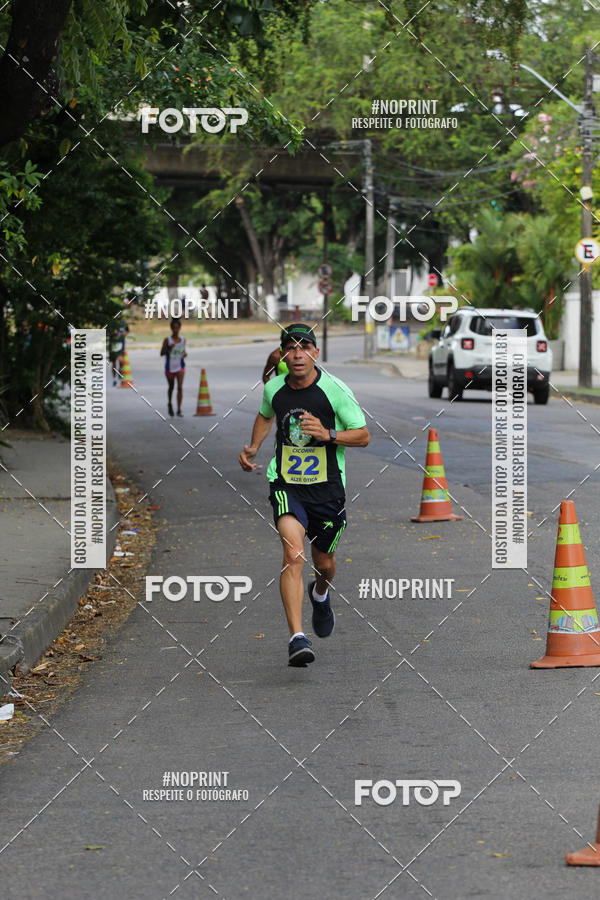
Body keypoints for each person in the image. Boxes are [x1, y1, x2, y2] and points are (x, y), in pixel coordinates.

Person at [239, 323, 370, 667]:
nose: (297, 353)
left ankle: (321, 591)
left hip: (327, 489)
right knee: (293, 554)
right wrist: (252, 448)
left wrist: (328, 434)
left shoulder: (335, 390)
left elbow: (363, 435)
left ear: (315, 352)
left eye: (304, 346)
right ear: (283, 353)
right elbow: (265, 415)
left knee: (323, 563)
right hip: (286, 485)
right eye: (290, 347)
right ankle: (297, 638)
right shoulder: (274, 388)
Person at [160, 317, 187, 416]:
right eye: (174, 328)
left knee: (180, 387)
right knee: (171, 387)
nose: (175, 330)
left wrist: (184, 354)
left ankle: (179, 409)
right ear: (171, 328)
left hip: (180, 366)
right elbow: (161, 353)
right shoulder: (167, 340)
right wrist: (168, 348)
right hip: (169, 368)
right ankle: (170, 403)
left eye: (177, 328)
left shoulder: (183, 340)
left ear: (180, 328)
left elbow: (182, 351)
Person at [108, 321, 129, 386]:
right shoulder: (111, 322)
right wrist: (112, 333)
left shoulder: (123, 323)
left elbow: (127, 331)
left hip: (121, 345)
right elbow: (107, 333)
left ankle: (120, 370)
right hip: (113, 346)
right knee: (114, 363)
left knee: (121, 361)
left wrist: (123, 333)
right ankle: (114, 379)